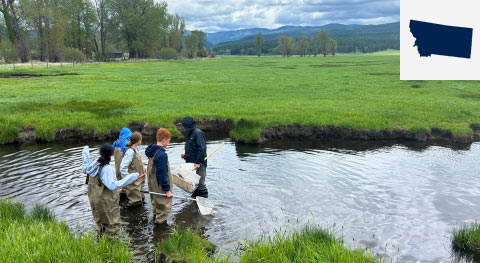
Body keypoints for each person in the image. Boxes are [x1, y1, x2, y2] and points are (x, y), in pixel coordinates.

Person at [82, 144, 145, 238]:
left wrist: (85, 152)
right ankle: (111, 247)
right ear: (111, 155)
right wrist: (132, 177)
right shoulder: (107, 168)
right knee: (112, 224)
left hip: (93, 198)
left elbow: (85, 167)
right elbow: (112, 185)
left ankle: (99, 242)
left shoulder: (93, 164)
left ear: (100, 153)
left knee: (99, 221)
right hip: (105, 200)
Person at [145, 128, 173, 225]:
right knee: (163, 206)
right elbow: (162, 173)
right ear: (164, 140)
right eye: (168, 141)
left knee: (155, 203)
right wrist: (167, 190)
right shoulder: (162, 155)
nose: (168, 143)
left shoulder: (152, 150)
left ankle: (154, 221)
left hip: (152, 183)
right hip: (159, 184)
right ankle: (160, 230)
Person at [180, 116, 208, 198]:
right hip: (191, 164)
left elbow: (202, 149)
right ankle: (195, 200)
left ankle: (204, 200)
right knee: (193, 184)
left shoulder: (198, 133)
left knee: (200, 185)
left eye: (184, 126)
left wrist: (198, 162)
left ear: (187, 125)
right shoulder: (190, 134)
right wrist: (186, 155)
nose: (183, 128)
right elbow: (192, 148)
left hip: (199, 164)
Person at [119, 131, 145, 207]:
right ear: (139, 140)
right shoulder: (130, 152)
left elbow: (138, 163)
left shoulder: (135, 149)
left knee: (140, 200)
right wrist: (128, 179)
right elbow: (122, 167)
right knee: (135, 203)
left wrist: (144, 169)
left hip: (139, 180)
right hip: (133, 182)